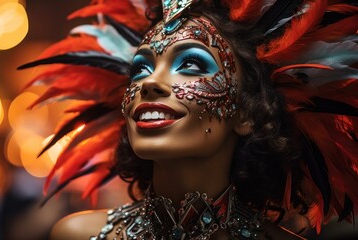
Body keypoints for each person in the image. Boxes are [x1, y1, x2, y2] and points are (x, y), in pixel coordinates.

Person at [18, 0, 358, 239]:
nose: (149, 83)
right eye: (141, 68)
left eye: (191, 64)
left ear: (246, 112)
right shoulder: (77, 234)